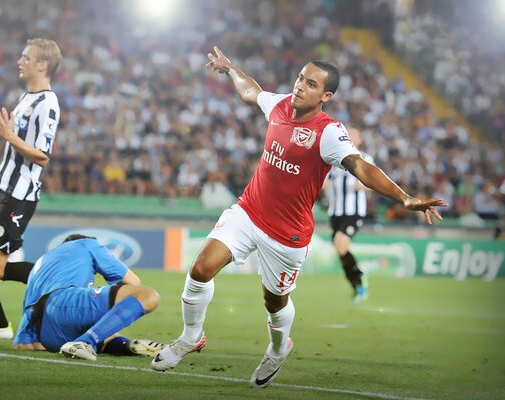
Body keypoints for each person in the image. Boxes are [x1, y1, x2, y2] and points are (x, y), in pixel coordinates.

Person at [151, 47, 447, 388]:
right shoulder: (279, 106)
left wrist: (404, 197)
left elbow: (360, 166)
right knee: (200, 269)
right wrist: (231, 68)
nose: (299, 86)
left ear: (326, 95)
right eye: (300, 79)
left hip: (287, 235)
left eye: (310, 84)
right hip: (248, 212)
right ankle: (191, 337)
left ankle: (278, 348)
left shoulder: (329, 133)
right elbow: (251, 91)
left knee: (274, 301)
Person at [0, 38, 62, 339]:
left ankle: (57, 280)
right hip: (1, 188)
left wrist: (8, 135)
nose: (20, 61)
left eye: (26, 57)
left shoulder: (48, 103)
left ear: (43, 64)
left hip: (19, 196)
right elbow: (15, 151)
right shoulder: (25, 97)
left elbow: (42, 156)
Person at [13, 234, 162, 361]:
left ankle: (126, 345)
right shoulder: (86, 243)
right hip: (63, 303)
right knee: (148, 296)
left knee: (103, 327)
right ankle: (85, 342)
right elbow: (133, 283)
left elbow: (22, 345)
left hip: (45, 335)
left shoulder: (41, 263)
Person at [322, 125, 374, 303]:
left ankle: (359, 275)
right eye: (347, 134)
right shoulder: (334, 160)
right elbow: (324, 182)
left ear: (359, 140)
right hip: (335, 211)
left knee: (341, 245)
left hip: (353, 211)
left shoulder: (365, 159)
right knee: (339, 249)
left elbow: (375, 182)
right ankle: (356, 284)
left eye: (353, 135)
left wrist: (363, 185)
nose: (349, 137)